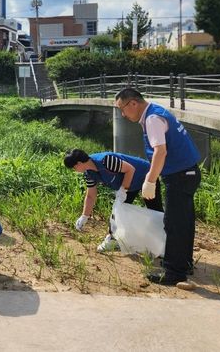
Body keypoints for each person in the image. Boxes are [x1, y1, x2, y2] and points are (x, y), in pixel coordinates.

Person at [115, 88, 201, 286]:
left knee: (174, 223)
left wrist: (150, 180)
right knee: (183, 222)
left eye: (122, 108)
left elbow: (160, 152)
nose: (122, 114)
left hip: (179, 175)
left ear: (133, 104)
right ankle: (183, 263)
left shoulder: (152, 119)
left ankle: (174, 272)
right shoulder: (156, 111)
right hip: (188, 173)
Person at [63, 149, 164, 252]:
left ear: (79, 164)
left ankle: (165, 240)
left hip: (145, 176)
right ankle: (113, 239)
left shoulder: (106, 160)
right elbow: (90, 196)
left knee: (155, 209)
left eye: (74, 167)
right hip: (129, 184)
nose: (75, 170)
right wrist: (84, 216)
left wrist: (123, 190)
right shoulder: (88, 174)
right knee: (118, 210)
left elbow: (130, 169)